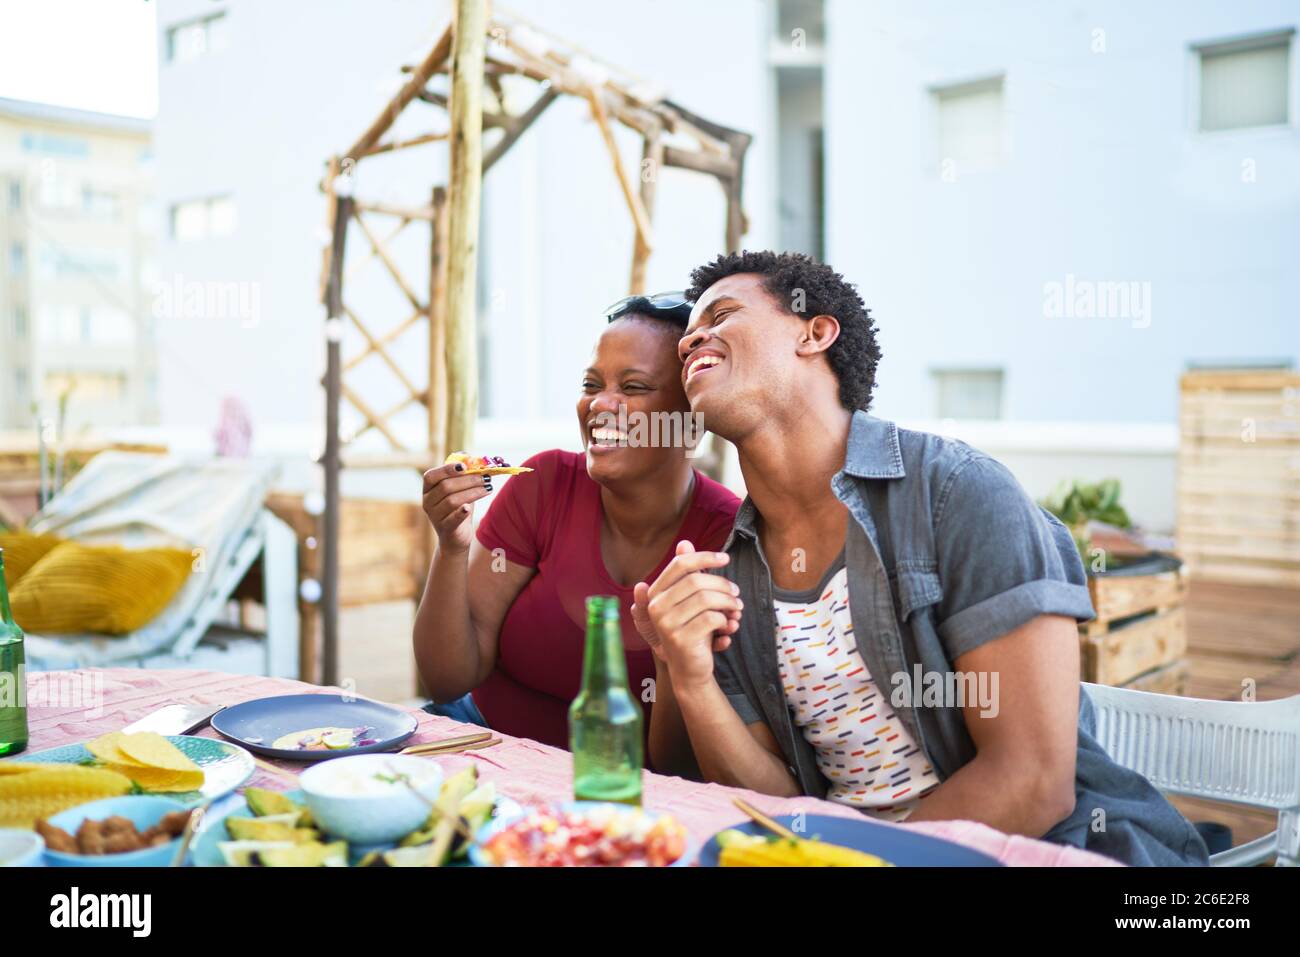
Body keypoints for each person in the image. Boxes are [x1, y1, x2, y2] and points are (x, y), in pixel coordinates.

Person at [633, 251, 1208, 865]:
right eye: (689, 333)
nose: (694, 337)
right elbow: (779, 803)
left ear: (815, 331)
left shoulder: (959, 495)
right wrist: (689, 677)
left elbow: (1033, 780)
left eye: (722, 315)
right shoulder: (729, 571)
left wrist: (862, 859)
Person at [414, 293, 740, 753]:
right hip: (477, 743)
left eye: (632, 387)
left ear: (691, 420)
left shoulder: (725, 540)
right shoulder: (543, 485)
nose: (600, 405)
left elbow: (675, 765)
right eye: (591, 385)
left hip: (612, 785)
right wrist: (451, 546)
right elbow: (447, 680)